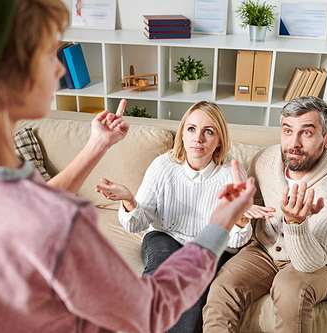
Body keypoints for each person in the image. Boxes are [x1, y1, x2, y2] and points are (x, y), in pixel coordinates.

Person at [0, 0, 257, 332]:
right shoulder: (60, 223)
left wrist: (97, 145)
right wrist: (220, 222)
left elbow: (26, 203)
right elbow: (151, 310)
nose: (60, 69)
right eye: (48, 54)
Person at [95, 101, 275, 333]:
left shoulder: (231, 174)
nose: (197, 138)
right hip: (164, 236)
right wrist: (130, 201)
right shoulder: (162, 167)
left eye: (208, 131)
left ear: (219, 140)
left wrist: (240, 220)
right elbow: (137, 223)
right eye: (191, 129)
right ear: (182, 134)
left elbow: (233, 245)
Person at [203, 96, 327, 333]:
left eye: (306, 133)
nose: (294, 143)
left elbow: (310, 263)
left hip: (323, 260)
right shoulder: (265, 160)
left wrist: (295, 223)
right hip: (265, 248)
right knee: (222, 288)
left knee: (289, 291)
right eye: (288, 131)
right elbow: (248, 222)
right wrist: (240, 213)